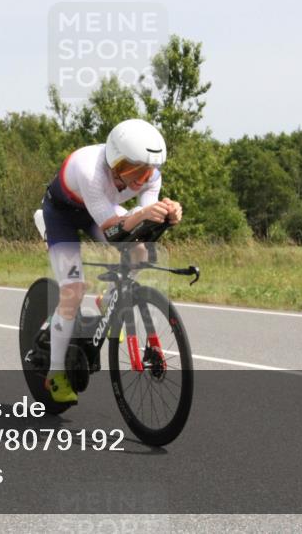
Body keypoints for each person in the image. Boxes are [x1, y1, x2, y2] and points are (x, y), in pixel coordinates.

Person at [41, 119, 182, 404]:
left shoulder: (150, 175)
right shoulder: (91, 171)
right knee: (73, 289)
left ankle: (110, 298)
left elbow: (141, 220)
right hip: (63, 216)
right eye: (132, 170)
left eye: (147, 172)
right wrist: (142, 214)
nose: (139, 179)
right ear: (114, 161)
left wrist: (169, 213)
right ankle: (54, 373)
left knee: (139, 250)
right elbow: (112, 230)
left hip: (101, 210)